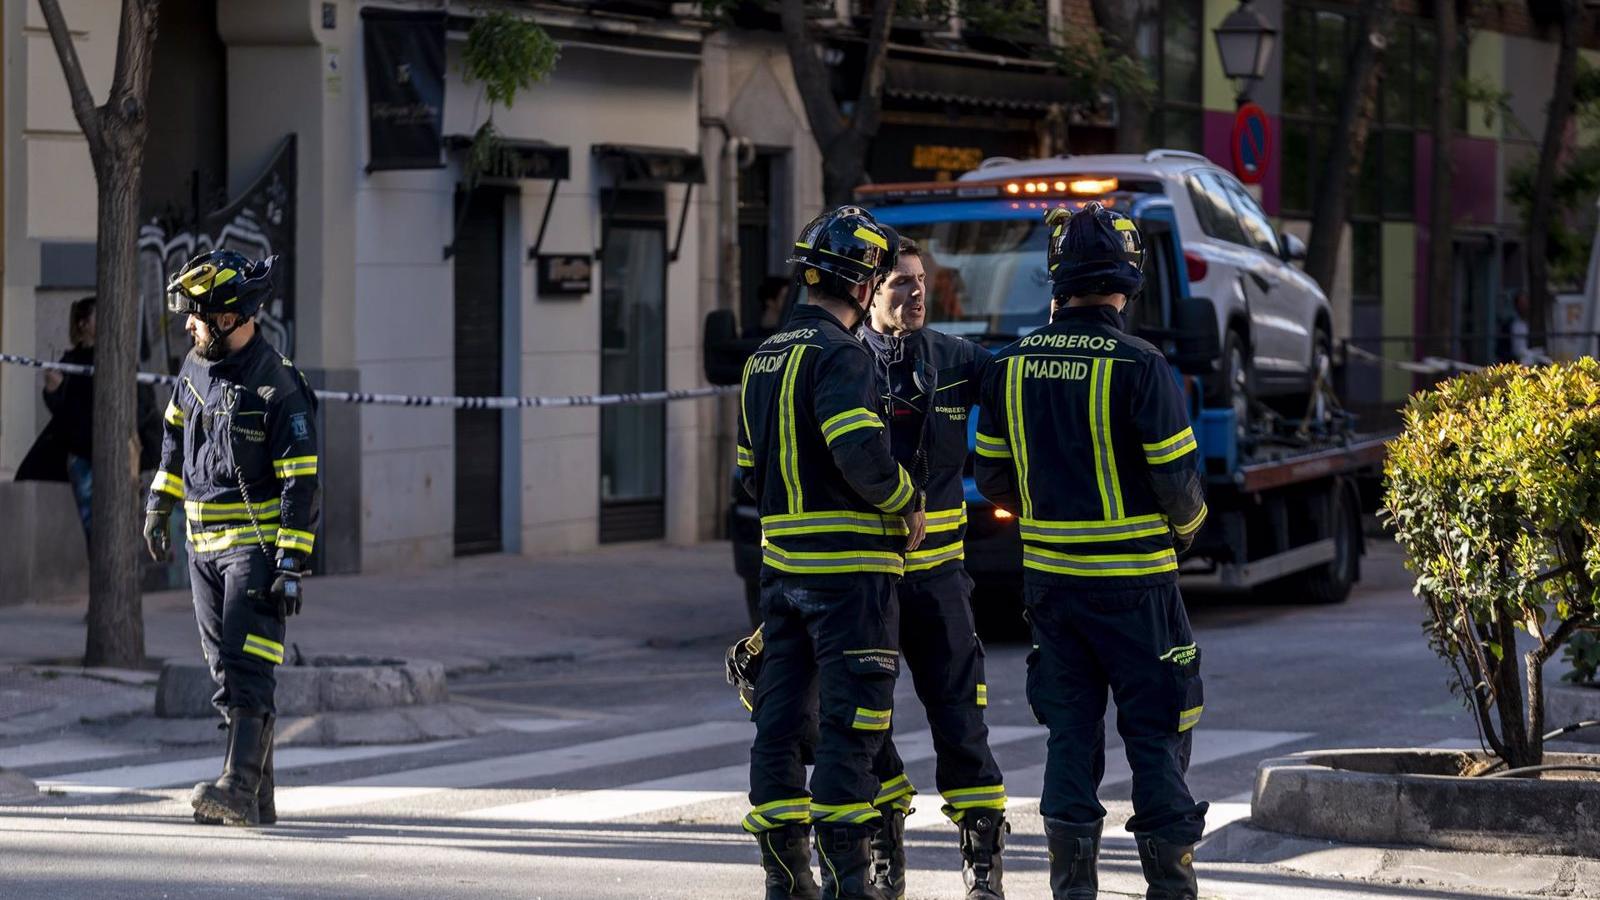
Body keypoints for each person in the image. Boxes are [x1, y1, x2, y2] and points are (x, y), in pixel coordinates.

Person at [975, 203, 1209, 900]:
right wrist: (1187, 532)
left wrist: (1045, 508)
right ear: (1127, 280)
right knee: (1156, 735)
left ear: (1057, 277)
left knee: (1070, 740)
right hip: (1139, 592)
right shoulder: (1140, 364)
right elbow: (1178, 483)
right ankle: (1169, 888)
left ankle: (1072, 889)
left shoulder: (1009, 366)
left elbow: (990, 476)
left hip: (1051, 592)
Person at [738, 205, 926, 900]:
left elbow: (748, 469)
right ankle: (854, 883)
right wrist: (907, 496)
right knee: (853, 730)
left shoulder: (765, 355)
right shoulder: (843, 355)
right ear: (863, 281)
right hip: (851, 581)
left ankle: (788, 884)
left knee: (780, 726)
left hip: (783, 575)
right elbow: (859, 453)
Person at [142, 248, 320, 828]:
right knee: (225, 671)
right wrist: (158, 502)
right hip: (202, 549)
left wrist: (290, 562)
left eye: (197, 314)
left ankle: (238, 785)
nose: (188, 324)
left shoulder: (279, 387)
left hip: (255, 554)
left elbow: (301, 481)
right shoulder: (194, 369)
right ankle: (257, 798)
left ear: (230, 317)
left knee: (249, 666)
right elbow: (173, 438)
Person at [857, 238, 1007, 899]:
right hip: (865, 582)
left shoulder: (953, 359)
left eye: (922, 282)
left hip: (941, 580)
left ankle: (981, 859)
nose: (917, 294)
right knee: (866, 723)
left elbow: (1015, 383)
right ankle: (886, 837)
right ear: (868, 291)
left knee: (960, 722)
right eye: (901, 284)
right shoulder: (841, 366)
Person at [746, 275, 793, 340]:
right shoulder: (750, 335)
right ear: (770, 301)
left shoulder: (791, 331)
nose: (789, 301)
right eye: (784, 298)